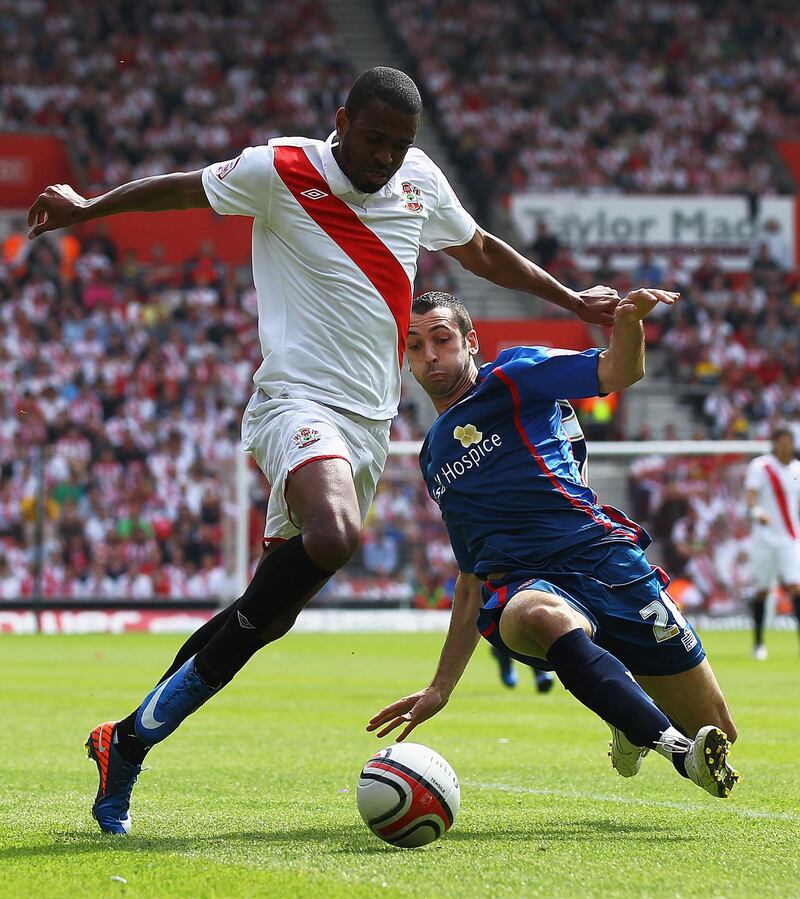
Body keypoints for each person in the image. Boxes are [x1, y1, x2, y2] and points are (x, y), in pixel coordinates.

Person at [27, 67, 619, 835]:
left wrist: (574, 300)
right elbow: (178, 188)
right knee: (337, 536)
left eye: (399, 145)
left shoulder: (418, 180)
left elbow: (479, 249)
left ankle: (129, 739)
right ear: (343, 120)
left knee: (262, 617)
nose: (385, 158)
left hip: (368, 428)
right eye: (374, 140)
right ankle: (133, 737)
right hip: (295, 403)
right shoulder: (282, 169)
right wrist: (88, 206)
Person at [368, 289, 740, 799]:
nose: (430, 355)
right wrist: (440, 687)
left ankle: (626, 714)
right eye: (414, 346)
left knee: (720, 727)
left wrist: (628, 324)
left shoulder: (515, 376)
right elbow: (472, 573)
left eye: (441, 339)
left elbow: (617, 373)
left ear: (471, 341)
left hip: (604, 560)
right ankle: (676, 750)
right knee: (543, 615)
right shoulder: (432, 454)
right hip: (522, 589)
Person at [744, 427, 800, 660]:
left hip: (789, 537)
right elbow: (751, 499)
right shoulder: (761, 466)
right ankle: (758, 643)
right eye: (783, 441)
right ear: (775, 444)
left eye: (790, 441)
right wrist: (758, 513)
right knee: (762, 592)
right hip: (764, 538)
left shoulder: (797, 468)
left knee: (796, 588)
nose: (787, 446)